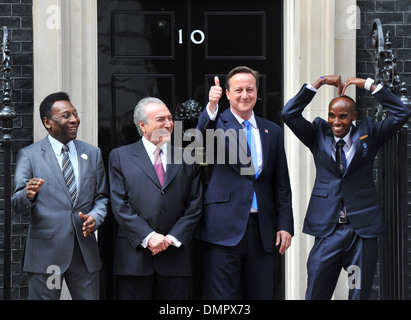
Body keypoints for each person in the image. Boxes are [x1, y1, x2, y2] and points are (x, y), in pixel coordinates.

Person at [281, 75, 411, 300]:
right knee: (316, 292)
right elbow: (288, 114)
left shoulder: (370, 135)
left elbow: (401, 112)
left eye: (343, 116)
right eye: (332, 115)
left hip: (359, 234)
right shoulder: (317, 135)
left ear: (354, 117)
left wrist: (369, 85)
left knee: (358, 293)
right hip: (328, 232)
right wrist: (319, 83)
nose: (336, 121)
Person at [195, 66, 294, 300]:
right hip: (223, 229)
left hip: (263, 229)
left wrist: (285, 224)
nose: (244, 95)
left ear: (257, 92)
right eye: (238, 90)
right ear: (227, 94)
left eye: (250, 89)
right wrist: (211, 107)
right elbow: (200, 140)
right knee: (221, 299)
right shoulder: (217, 124)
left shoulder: (273, 130)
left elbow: (281, 184)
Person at [11, 92, 108, 300]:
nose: (74, 119)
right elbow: (16, 204)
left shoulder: (93, 153)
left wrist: (96, 217)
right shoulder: (30, 155)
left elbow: (101, 197)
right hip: (46, 255)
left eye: (75, 114)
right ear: (48, 122)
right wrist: (28, 195)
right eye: (66, 115)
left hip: (84, 255)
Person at [108, 97, 202, 300]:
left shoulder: (188, 158)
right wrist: (148, 236)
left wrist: (171, 238)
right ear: (142, 125)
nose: (168, 124)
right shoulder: (120, 157)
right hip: (134, 258)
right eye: (161, 119)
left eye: (170, 118)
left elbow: (195, 205)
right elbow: (119, 204)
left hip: (175, 256)